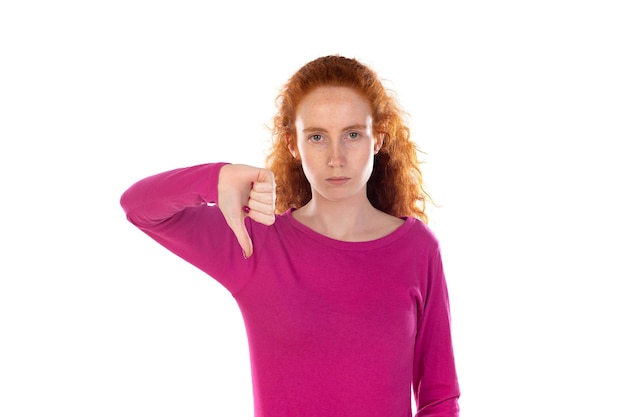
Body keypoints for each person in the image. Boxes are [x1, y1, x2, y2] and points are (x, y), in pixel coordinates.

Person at [120, 55, 460, 417]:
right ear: (293, 145)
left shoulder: (417, 249)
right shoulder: (256, 242)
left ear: (378, 138)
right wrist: (216, 178)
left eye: (352, 134)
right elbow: (139, 206)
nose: (336, 157)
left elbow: (439, 398)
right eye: (316, 137)